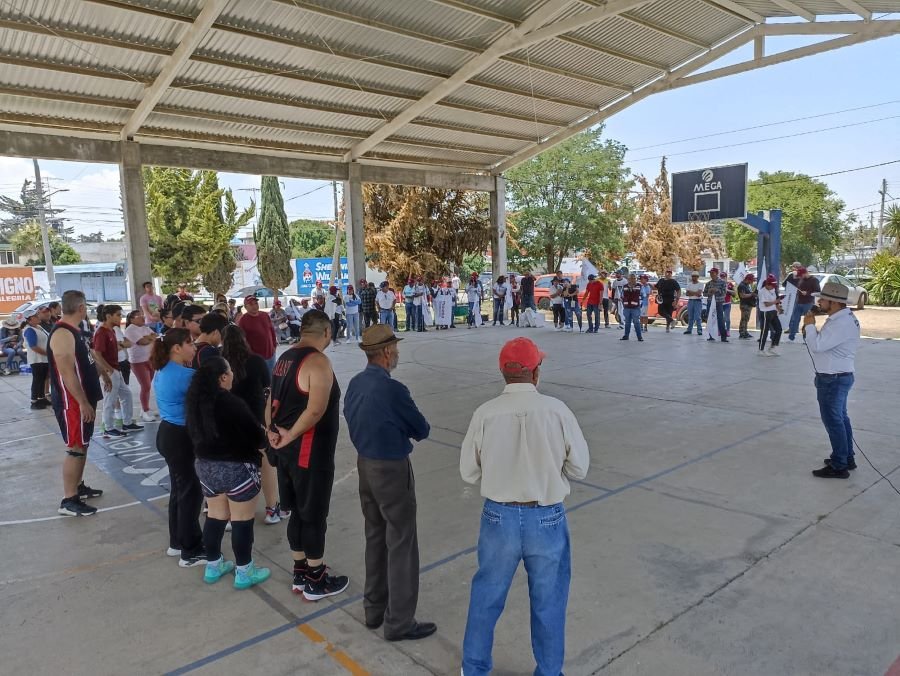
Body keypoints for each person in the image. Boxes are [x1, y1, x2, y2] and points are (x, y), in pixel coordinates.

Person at [460, 337, 589, 676]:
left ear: (503, 373)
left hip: (498, 517)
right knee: (549, 601)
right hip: (545, 517)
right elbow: (579, 468)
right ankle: (548, 671)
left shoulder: (485, 413)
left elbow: (468, 472)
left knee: (486, 596)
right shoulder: (558, 411)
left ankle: (473, 669)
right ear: (536, 373)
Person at [344, 324, 434, 642]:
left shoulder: (355, 384)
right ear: (385, 353)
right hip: (391, 469)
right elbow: (421, 428)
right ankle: (399, 622)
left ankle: (374, 609)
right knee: (402, 543)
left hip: (365, 466)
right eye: (394, 348)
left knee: (375, 537)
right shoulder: (392, 390)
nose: (396, 353)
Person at [266, 310, 349, 601]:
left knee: (298, 513)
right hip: (308, 453)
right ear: (327, 332)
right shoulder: (318, 362)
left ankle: (300, 570)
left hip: (286, 453)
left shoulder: (284, 358)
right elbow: (315, 410)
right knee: (314, 514)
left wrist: (272, 431)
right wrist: (290, 434)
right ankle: (316, 579)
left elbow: (269, 400)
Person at [185, 356, 271, 588]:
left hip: (206, 468)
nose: (233, 373)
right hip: (236, 469)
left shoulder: (194, 403)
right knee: (242, 520)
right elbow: (257, 439)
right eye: (230, 370)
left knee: (215, 516)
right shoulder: (232, 403)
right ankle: (245, 571)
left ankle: (213, 566)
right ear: (223, 377)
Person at [221, 324, 286, 525]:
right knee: (266, 464)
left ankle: (230, 515)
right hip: (256, 421)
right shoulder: (256, 361)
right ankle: (272, 509)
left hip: (228, 422)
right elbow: (268, 390)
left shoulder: (219, 364)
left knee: (230, 467)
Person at [48, 290, 105, 517]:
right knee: (75, 447)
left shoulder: (76, 331)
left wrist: (104, 375)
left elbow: (86, 360)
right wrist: (82, 401)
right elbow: (66, 372)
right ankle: (68, 499)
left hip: (84, 398)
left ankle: (78, 486)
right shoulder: (62, 333)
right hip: (71, 402)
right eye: (86, 307)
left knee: (83, 443)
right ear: (81, 308)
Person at [152, 328, 205, 566]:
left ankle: (177, 542)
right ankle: (191, 551)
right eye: (190, 344)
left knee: (179, 490)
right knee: (190, 493)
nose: (194, 348)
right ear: (176, 348)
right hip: (181, 437)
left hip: (167, 433)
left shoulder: (162, 370)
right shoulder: (187, 375)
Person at [803, 282, 861, 479]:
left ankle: (839, 465)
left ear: (834, 302)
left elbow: (817, 346)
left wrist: (810, 326)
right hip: (837, 376)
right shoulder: (840, 319)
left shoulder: (841, 323)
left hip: (833, 379)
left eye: (823, 299)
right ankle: (846, 457)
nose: (819, 302)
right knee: (840, 419)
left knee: (834, 421)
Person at [92, 305, 143, 438]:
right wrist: (107, 371)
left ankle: (127, 422)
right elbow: (97, 353)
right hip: (111, 370)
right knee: (110, 399)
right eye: (118, 315)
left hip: (116, 368)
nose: (121, 318)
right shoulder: (101, 332)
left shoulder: (112, 330)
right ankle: (108, 428)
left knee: (126, 394)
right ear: (109, 316)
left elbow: (117, 346)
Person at [124, 310, 158, 422]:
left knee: (148, 386)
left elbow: (155, 335)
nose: (143, 317)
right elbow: (142, 341)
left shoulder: (144, 327)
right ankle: (145, 410)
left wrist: (150, 337)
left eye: (143, 315)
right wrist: (149, 338)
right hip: (138, 362)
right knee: (146, 386)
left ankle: (145, 409)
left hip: (149, 360)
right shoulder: (131, 329)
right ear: (131, 319)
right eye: (139, 316)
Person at [237, 295, 277, 371]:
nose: (254, 306)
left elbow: (271, 330)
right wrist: (251, 353)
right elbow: (242, 339)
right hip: (256, 357)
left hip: (271, 354)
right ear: (245, 307)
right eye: (251, 304)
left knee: (271, 378)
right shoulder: (243, 320)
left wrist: (274, 346)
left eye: (256, 303)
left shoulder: (265, 315)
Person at [23, 308, 50, 409]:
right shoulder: (29, 330)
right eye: (35, 316)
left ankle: (41, 398)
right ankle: (34, 400)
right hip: (37, 359)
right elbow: (33, 346)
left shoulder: (39, 327)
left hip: (43, 359)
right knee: (37, 380)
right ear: (29, 320)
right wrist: (47, 353)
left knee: (42, 379)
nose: (38, 317)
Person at [787, 267, 821, 342]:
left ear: (805, 273)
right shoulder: (801, 280)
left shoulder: (814, 280)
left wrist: (808, 293)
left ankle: (807, 337)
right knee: (794, 319)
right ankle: (791, 336)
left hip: (808, 303)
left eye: (801, 275)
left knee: (808, 320)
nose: (800, 277)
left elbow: (818, 291)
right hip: (799, 302)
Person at [758, 274, 783, 356]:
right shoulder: (762, 291)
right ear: (767, 284)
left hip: (773, 312)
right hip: (765, 312)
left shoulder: (773, 290)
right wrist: (775, 302)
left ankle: (773, 347)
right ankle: (761, 350)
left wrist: (778, 307)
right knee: (765, 331)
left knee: (779, 329)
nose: (773, 287)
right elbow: (766, 304)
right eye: (772, 285)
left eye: (774, 286)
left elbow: (775, 301)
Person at [703, 268, 728, 343]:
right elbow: (704, 293)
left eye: (713, 273)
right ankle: (711, 336)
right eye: (710, 273)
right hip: (710, 303)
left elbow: (724, 293)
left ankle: (723, 337)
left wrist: (717, 290)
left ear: (716, 274)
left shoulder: (722, 282)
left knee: (720, 319)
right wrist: (709, 292)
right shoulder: (708, 283)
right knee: (710, 318)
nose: (711, 275)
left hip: (719, 302)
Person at [620, 273, 643, 341]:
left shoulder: (639, 286)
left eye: (634, 278)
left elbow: (640, 295)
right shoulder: (625, 286)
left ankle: (639, 337)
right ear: (628, 279)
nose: (632, 280)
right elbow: (622, 295)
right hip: (627, 307)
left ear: (636, 279)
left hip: (635, 307)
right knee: (627, 322)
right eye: (630, 278)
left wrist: (632, 289)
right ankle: (626, 336)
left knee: (636, 322)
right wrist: (624, 302)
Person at [737, 273, 757, 340]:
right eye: (751, 280)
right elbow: (742, 295)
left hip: (748, 304)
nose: (752, 282)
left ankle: (745, 332)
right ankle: (742, 333)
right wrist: (752, 294)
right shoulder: (741, 286)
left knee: (746, 319)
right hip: (744, 305)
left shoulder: (747, 285)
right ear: (748, 279)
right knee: (744, 319)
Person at [683, 271, 704, 336]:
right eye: (693, 276)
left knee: (698, 316)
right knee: (690, 316)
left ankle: (699, 330)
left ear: (698, 277)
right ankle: (689, 329)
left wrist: (691, 292)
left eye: (695, 276)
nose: (694, 277)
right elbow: (687, 293)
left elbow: (699, 294)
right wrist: (695, 293)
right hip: (691, 301)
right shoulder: (689, 284)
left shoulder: (701, 284)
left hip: (698, 301)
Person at [721, 271, 734, 337]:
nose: (722, 278)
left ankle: (728, 330)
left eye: (724, 277)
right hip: (720, 303)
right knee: (720, 318)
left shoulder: (729, 284)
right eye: (721, 277)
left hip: (727, 303)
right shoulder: (719, 284)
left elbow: (734, 293)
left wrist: (727, 290)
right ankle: (720, 330)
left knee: (727, 318)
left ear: (726, 277)